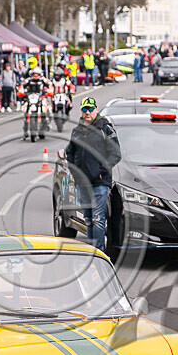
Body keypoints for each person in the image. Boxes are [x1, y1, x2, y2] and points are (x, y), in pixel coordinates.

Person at [65, 96, 121, 250]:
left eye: (90, 109)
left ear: (96, 110)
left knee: (98, 219)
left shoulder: (105, 129)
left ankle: (99, 253)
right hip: (82, 183)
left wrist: (101, 171)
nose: (87, 112)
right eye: (84, 109)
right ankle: (91, 251)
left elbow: (116, 154)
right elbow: (70, 152)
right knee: (88, 219)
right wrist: (74, 171)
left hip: (99, 183)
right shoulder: (77, 131)